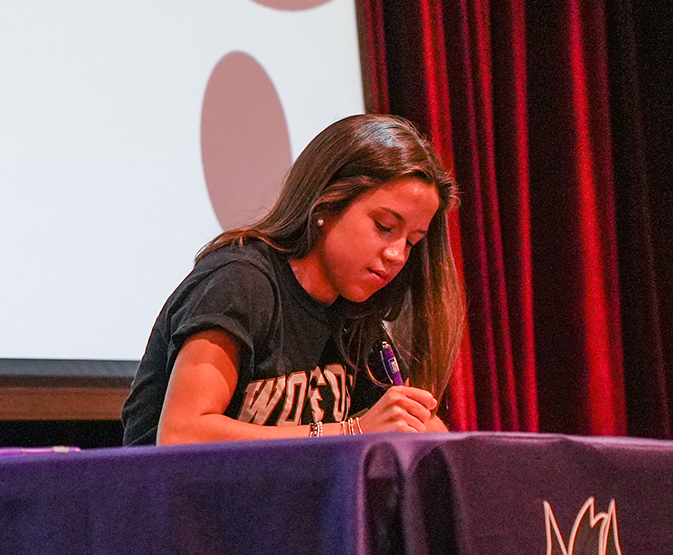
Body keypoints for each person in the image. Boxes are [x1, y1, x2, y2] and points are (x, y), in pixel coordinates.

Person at [120, 114, 464, 445]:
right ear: (326, 204)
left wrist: (420, 425)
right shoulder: (241, 281)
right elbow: (182, 434)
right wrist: (352, 430)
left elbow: (403, 424)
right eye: (384, 227)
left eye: (411, 242)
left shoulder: (356, 313)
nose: (397, 255)